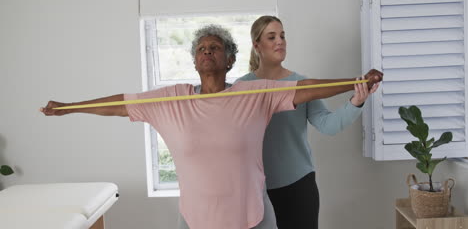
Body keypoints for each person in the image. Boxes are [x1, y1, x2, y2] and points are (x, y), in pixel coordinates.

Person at [40, 24, 382, 229]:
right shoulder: (171, 101)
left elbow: (305, 89)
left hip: (253, 217)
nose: (207, 51)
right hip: (194, 220)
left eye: (215, 47)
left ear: (230, 59)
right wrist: (69, 108)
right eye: (201, 48)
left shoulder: (254, 94)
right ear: (193, 59)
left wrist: (356, 82)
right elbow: (118, 104)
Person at [236, 15, 379, 229]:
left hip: (299, 186)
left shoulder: (302, 84)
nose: (280, 41)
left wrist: (356, 101)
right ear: (257, 45)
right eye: (272, 36)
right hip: (256, 189)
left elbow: (328, 125)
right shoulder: (242, 87)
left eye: (282, 36)